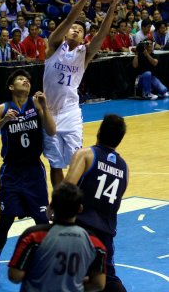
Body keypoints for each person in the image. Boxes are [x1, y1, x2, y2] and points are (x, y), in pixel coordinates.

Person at [0, 69, 56, 289]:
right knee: (5, 221)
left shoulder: (36, 104)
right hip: (12, 173)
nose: (25, 81)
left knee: (43, 223)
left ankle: (45, 266)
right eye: (20, 80)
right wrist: (3, 121)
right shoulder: (2, 109)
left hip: (34, 172)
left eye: (27, 80)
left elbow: (51, 131)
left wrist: (44, 107)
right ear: (12, 87)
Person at [43, 0, 119, 186]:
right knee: (55, 164)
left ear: (84, 36)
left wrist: (112, 7)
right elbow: (69, 18)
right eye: (72, 28)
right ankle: (58, 202)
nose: (75, 30)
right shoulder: (54, 46)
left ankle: (72, 198)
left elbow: (102, 34)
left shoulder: (84, 54)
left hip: (70, 111)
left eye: (80, 29)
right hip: (48, 111)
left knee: (76, 160)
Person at [65, 114, 129, 292]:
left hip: (79, 228)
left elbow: (67, 189)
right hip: (105, 233)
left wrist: (52, 209)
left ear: (99, 131)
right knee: (107, 280)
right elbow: (116, 202)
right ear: (119, 139)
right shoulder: (124, 168)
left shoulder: (86, 154)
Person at [8, 182, 107, 292]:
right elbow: (99, 284)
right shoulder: (95, 242)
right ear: (80, 208)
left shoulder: (33, 236)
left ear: (51, 206)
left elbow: (15, 276)